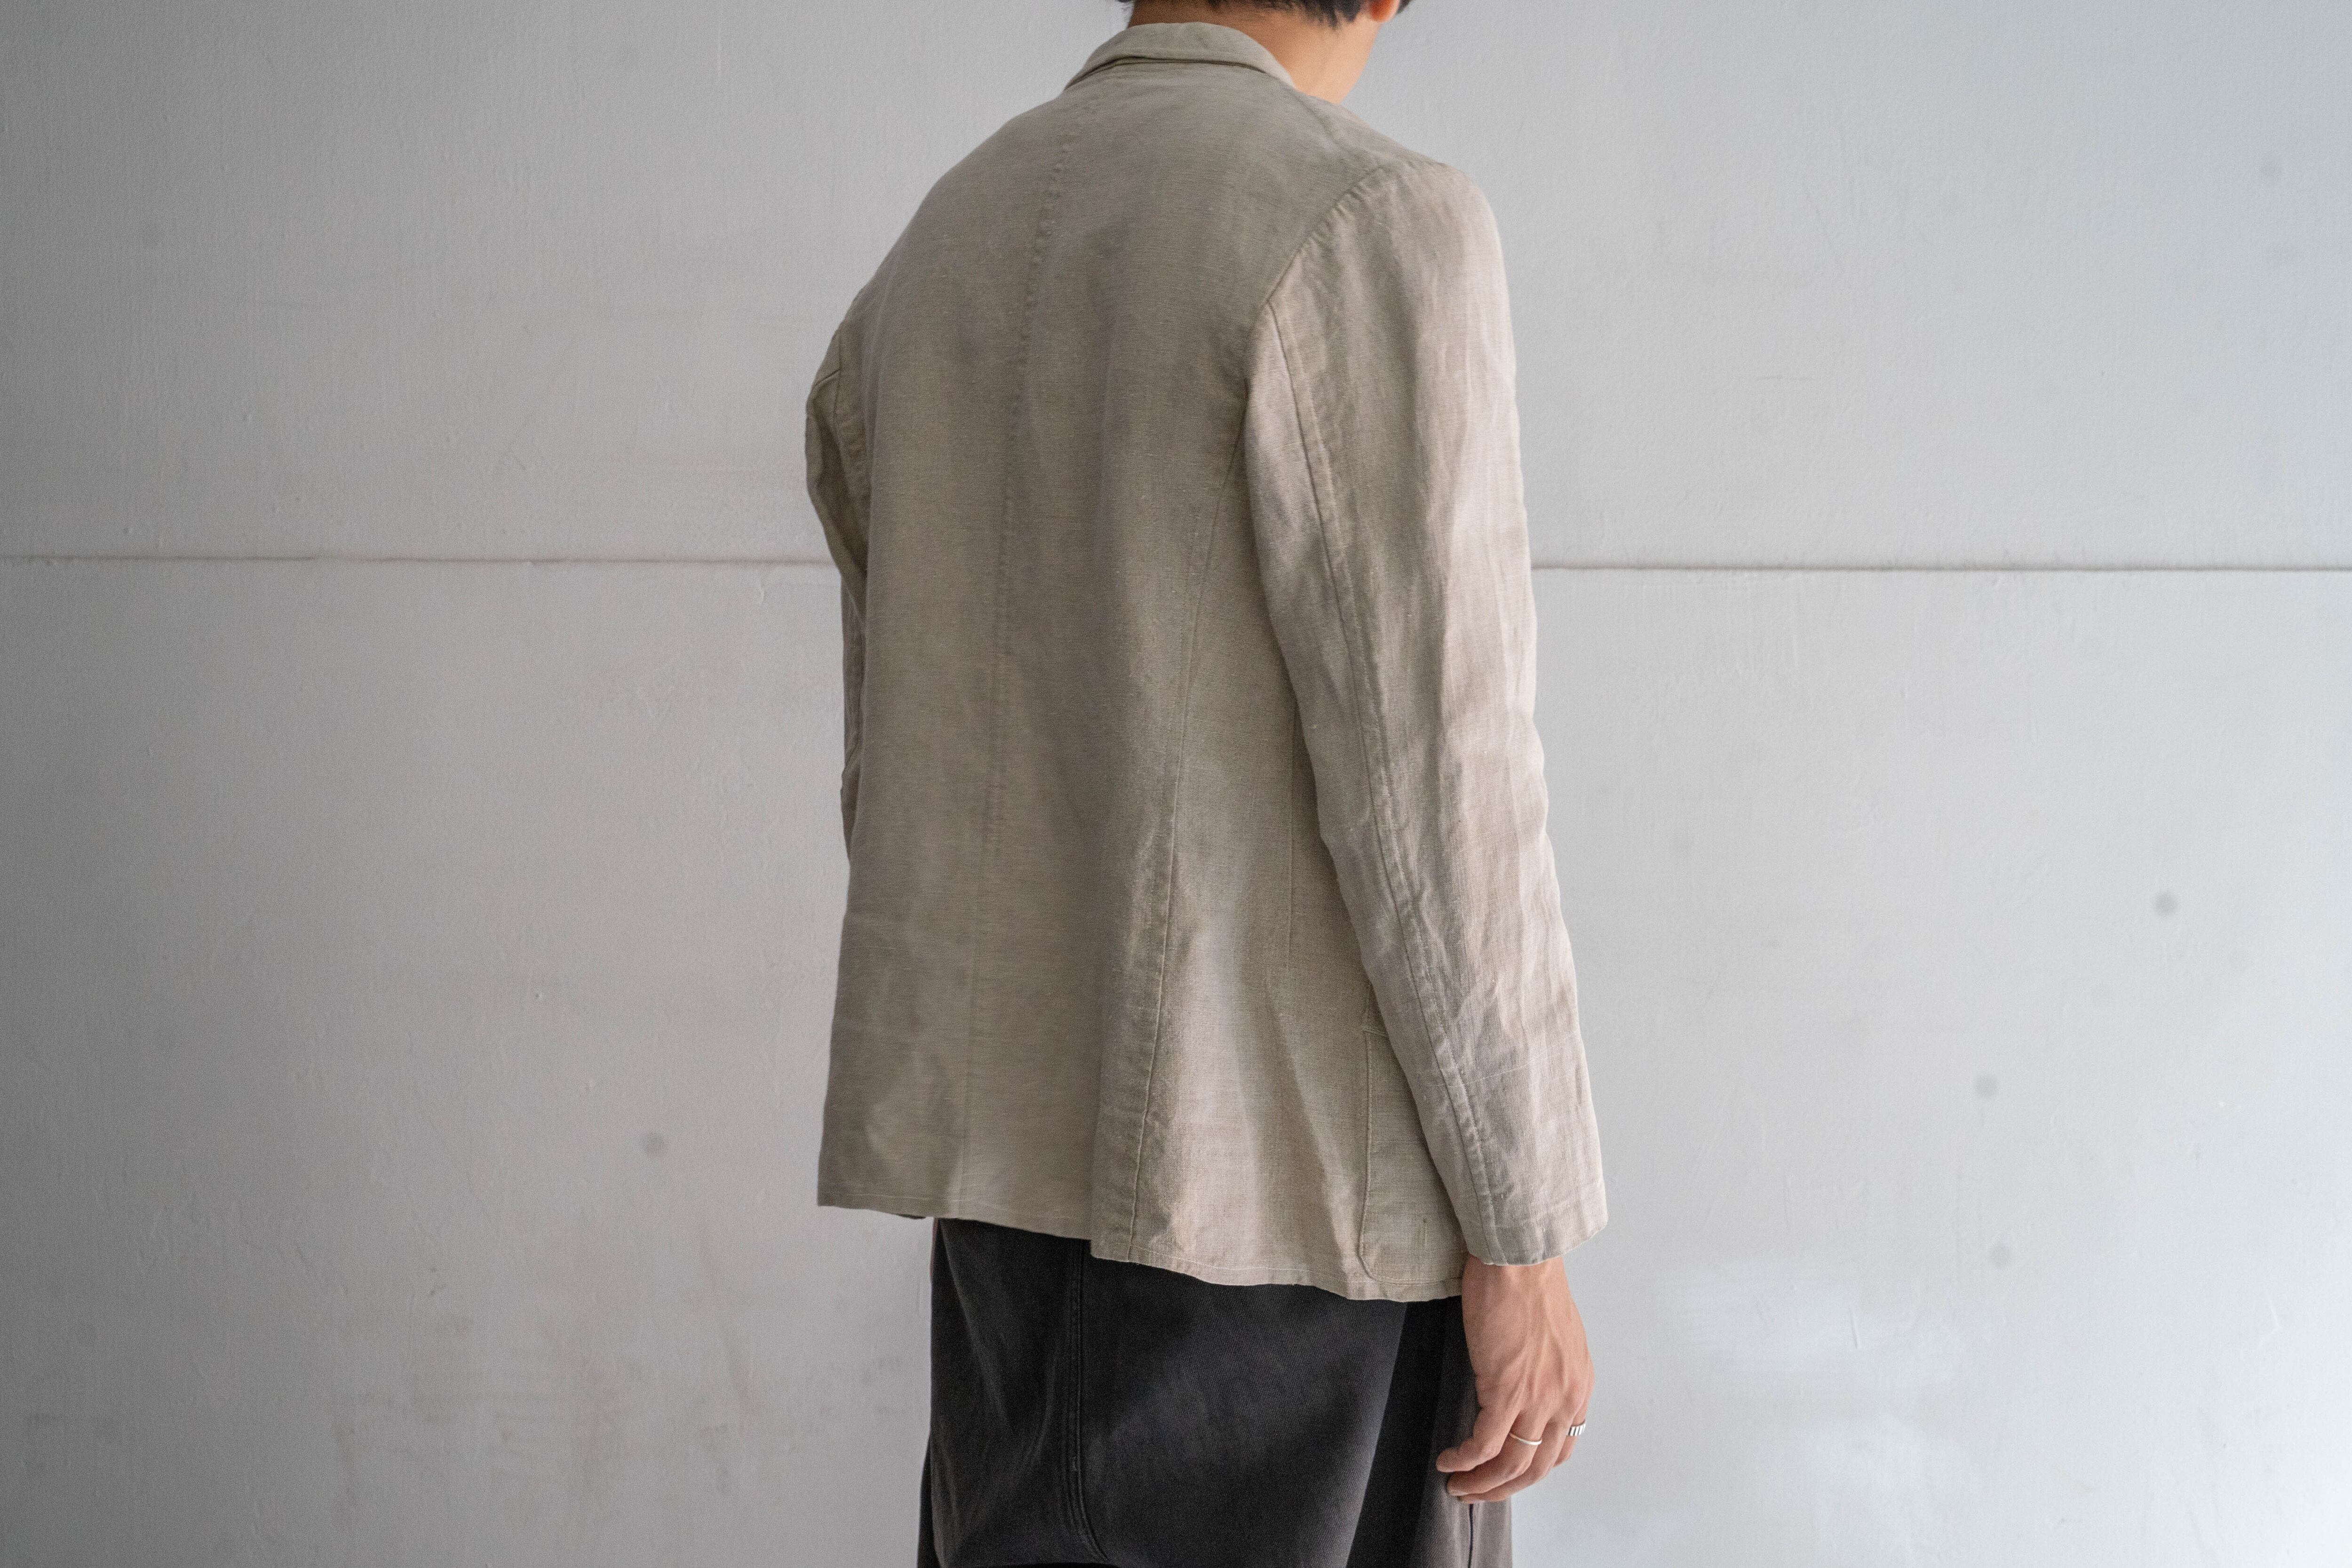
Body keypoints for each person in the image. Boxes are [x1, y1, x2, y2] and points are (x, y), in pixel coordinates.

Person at [802, 2, 1607, 1562]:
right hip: (1297, 1233)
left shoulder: (948, 240)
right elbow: (1441, 783)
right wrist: (1525, 1233)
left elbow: (889, 766)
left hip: (1006, 1242)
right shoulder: (1368, 219)